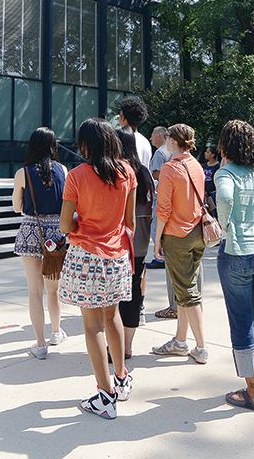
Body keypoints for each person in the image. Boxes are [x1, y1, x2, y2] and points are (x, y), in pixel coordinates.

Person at [59, 118, 136, 420]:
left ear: (85, 145)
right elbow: (129, 222)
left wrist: (83, 223)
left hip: (86, 256)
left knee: (92, 327)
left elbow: (66, 224)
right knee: (113, 315)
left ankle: (105, 395)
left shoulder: (77, 175)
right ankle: (121, 377)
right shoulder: (127, 172)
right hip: (117, 255)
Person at [215, 120, 254, 412]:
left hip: (238, 252)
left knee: (241, 322)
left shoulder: (225, 173)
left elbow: (225, 198)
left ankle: (252, 391)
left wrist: (225, 224)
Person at [151, 123, 209, 364]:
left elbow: (164, 209)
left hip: (177, 234)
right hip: (197, 231)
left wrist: (158, 240)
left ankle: (201, 347)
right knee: (185, 290)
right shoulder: (196, 165)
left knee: (188, 293)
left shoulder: (170, 168)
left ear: (173, 141)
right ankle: (180, 340)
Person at [11, 128, 67, 360]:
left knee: (35, 292)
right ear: (53, 145)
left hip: (31, 231)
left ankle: (40, 344)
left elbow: (16, 207)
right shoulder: (63, 170)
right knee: (54, 290)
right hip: (57, 233)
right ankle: (56, 332)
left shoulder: (22, 173)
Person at [115, 126, 154, 358]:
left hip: (119, 239)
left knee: (118, 294)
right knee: (134, 289)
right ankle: (127, 345)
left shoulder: (118, 172)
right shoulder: (144, 173)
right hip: (140, 241)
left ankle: (118, 345)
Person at [147, 126, 172, 273]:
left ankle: (160, 257)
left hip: (160, 194)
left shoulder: (160, 152)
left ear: (161, 136)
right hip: (170, 195)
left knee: (156, 226)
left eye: (153, 135)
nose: (151, 138)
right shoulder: (172, 152)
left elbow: (156, 173)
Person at [118, 96, 151, 170]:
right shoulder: (145, 141)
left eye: (120, 115)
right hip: (142, 180)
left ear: (123, 118)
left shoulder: (120, 138)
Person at [202, 144, 221, 216]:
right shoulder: (204, 165)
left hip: (213, 194)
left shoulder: (218, 166)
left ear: (213, 154)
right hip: (204, 193)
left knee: (213, 214)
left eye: (207, 152)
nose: (205, 153)